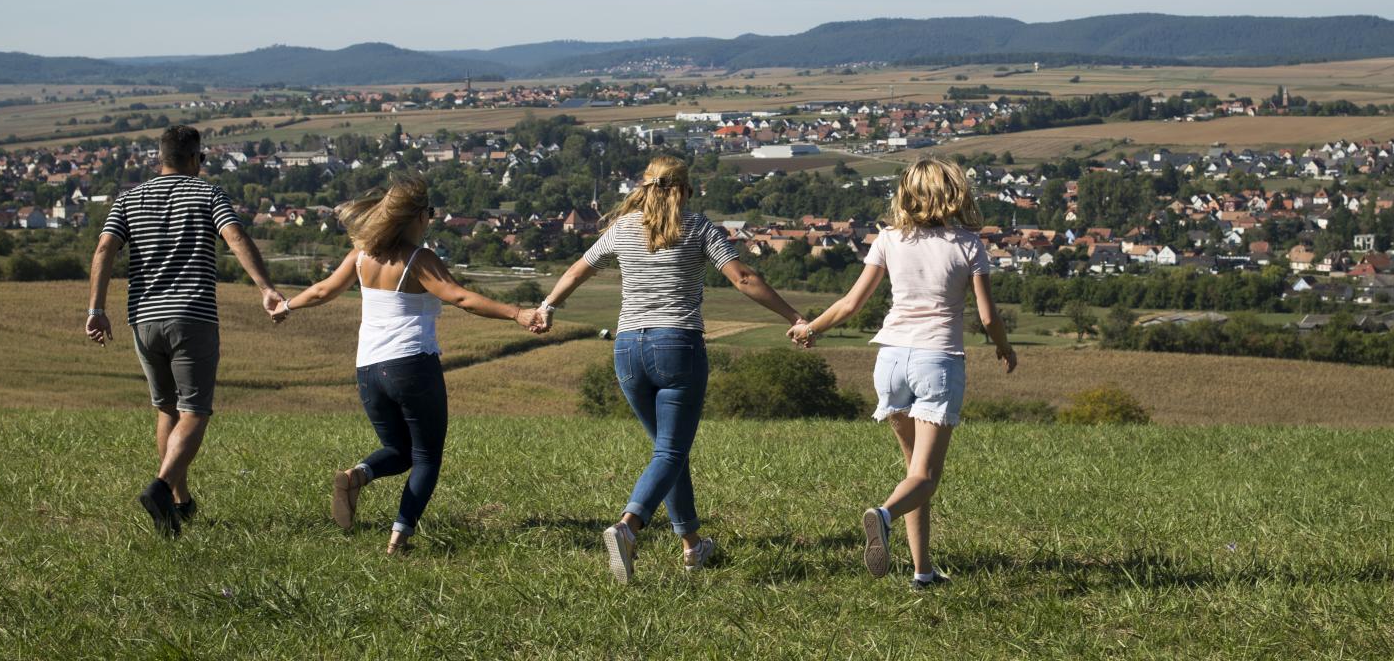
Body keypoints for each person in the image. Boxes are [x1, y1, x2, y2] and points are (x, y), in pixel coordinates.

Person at [535, 156, 807, 583]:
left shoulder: (622, 229)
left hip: (627, 349)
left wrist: (547, 306)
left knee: (668, 452)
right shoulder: (699, 228)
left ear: (644, 188)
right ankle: (628, 526)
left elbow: (578, 269)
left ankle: (692, 547)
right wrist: (794, 316)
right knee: (670, 452)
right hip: (677, 345)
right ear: (686, 189)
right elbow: (743, 278)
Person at [276, 177, 544, 555]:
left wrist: (286, 306)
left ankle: (357, 475)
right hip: (411, 365)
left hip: (368, 370)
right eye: (430, 213)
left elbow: (322, 290)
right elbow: (461, 297)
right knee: (426, 458)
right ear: (419, 216)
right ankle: (398, 540)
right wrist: (517, 313)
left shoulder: (361, 256)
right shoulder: (419, 260)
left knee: (398, 450)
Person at [789, 157, 1016, 588]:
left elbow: (851, 303)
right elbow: (988, 317)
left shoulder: (889, 239)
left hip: (890, 359)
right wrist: (1004, 347)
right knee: (924, 477)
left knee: (914, 473)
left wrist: (811, 328)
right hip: (938, 360)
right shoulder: (968, 244)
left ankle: (922, 572)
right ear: (954, 193)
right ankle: (884, 515)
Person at [86, 124, 287, 536]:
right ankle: (160, 489)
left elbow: (105, 248)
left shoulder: (128, 198)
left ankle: (180, 503)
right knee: (194, 411)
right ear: (196, 158)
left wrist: (96, 308)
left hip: (143, 320)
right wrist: (266, 288)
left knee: (166, 409)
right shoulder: (208, 193)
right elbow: (234, 236)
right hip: (192, 315)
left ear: (160, 158)